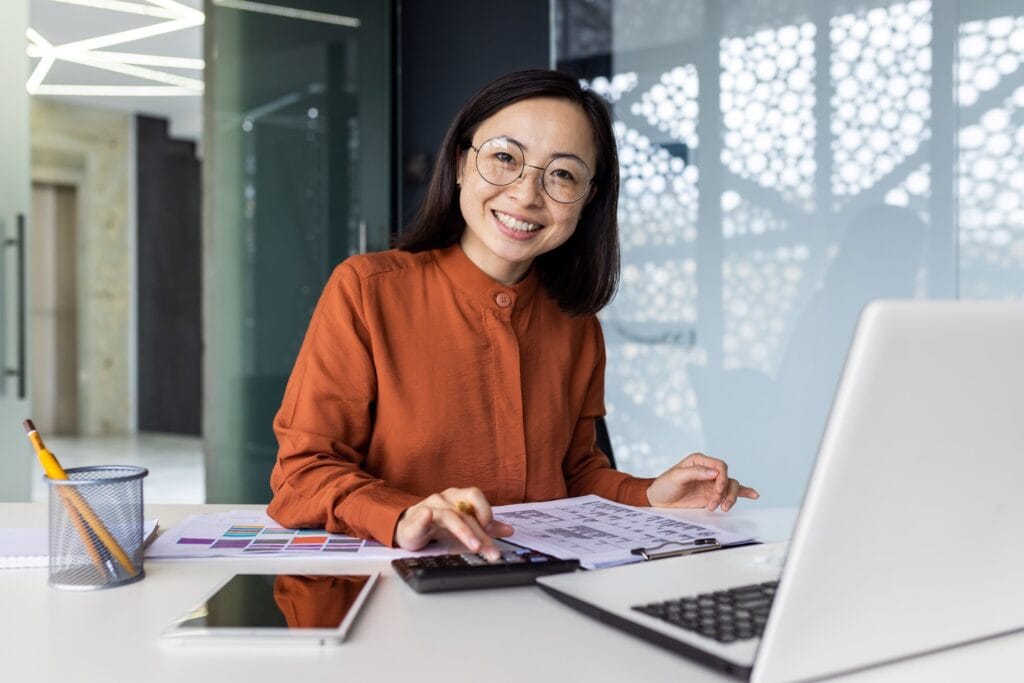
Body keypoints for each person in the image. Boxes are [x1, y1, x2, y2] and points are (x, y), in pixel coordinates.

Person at [267, 69, 758, 561]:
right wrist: (403, 515)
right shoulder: (367, 291)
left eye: (562, 174)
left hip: (544, 582)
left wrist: (650, 495)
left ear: (587, 199)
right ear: (461, 164)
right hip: (406, 582)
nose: (526, 195)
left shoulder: (577, 325)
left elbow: (575, 476)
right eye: (505, 158)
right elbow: (302, 473)